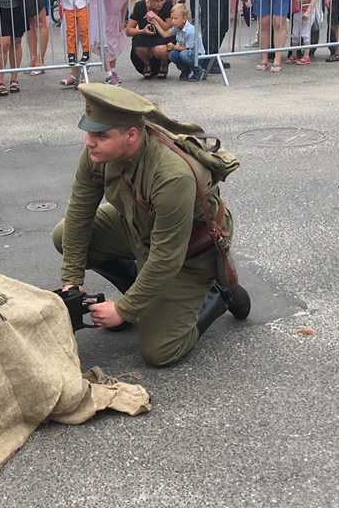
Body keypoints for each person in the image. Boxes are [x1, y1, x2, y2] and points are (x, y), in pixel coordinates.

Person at [51, 82, 249, 367]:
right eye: (87, 130)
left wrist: (124, 309)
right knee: (63, 235)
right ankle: (142, 292)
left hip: (190, 253)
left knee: (160, 351)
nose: (88, 141)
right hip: (139, 230)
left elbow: (167, 256)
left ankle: (218, 293)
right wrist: (72, 280)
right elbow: (80, 212)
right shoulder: (98, 153)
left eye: (100, 135)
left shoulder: (172, 175)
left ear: (131, 135)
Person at [99, 0, 137, 85]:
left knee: (114, 44)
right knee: (106, 44)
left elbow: (124, 2)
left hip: (115, 18)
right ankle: (107, 72)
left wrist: (122, 19)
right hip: (105, 16)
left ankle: (113, 69)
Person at [127, 0, 173, 79]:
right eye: (156, 1)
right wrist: (142, 31)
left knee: (159, 49)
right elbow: (128, 31)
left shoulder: (168, 5)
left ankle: (163, 64)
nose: (160, 4)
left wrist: (156, 18)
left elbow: (168, 28)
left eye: (162, 0)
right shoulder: (140, 6)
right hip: (145, 37)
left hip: (162, 37)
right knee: (137, 40)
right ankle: (146, 64)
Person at [160, 2, 205, 80]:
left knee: (183, 55)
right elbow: (165, 34)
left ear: (184, 19)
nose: (172, 21)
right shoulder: (177, 27)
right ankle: (185, 70)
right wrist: (155, 22)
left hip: (197, 54)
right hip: (186, 52)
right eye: (172, 18)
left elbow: (187, 49)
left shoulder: (190, 31)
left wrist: (174, 46)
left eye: (175, 18)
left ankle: (197, 70)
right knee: (172, 54)